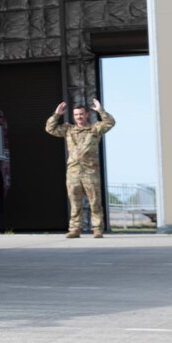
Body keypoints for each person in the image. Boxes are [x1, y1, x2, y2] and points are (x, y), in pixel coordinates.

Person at [45, 98, 116, 239]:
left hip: (90, 172)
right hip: (73, 172)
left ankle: (97, 229)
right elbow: (50, 129)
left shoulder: (95, 129)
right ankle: (75, 229)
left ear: (87, 114)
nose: (79, 117)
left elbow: (110, 123)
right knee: (75, 202)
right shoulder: (68, 129)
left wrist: (100, 110)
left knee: (95, 201)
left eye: (81, 114)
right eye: (76, 114)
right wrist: (56, 114)